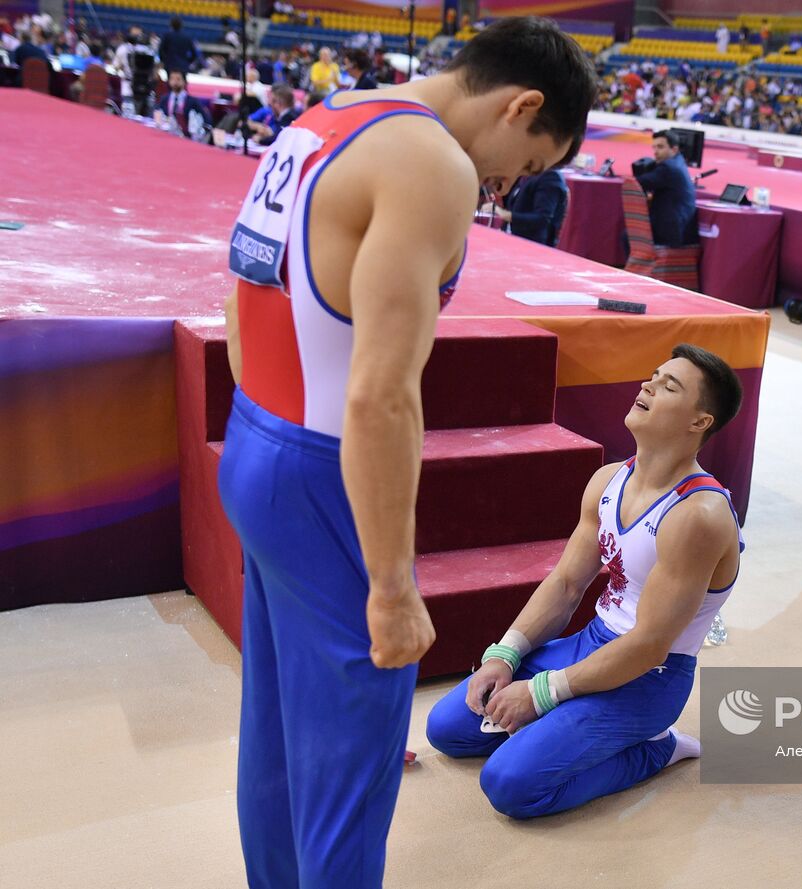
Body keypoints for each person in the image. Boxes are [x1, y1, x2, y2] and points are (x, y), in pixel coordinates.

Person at [219, 18, 596, 887]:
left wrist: (266, 430)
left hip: (259, 436)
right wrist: (390, 586)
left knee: (278, 730)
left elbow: (242, 292)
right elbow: (382, 394)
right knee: (353, 751)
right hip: (324, 468)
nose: (505, 187)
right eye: (529, 163)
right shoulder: (433, 164)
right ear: (521, 105)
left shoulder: (326, 117)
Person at [425, 345, 744, 818]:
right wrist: (505, 652)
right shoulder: (608, 480)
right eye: (652, 376)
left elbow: (649, 645)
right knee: (446, 728)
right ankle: (565, 724)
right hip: (591, 643)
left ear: (700, 422)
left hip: (648, 678)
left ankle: (656, 747)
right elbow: (566, 584)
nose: (646, 386)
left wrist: (542, 692)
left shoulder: (698, 515)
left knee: (511, 786)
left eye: (669, 386)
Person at [633, 129, 699, 247]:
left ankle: (640, 265)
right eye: (654, 147)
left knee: (630, 235)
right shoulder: (678, 162)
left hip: (672, 231)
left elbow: (637, 183)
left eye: (660, 147)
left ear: (674, 149)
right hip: (682, 228)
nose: (655, 152)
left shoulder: (668, 167)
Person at [498, 168, 569, 246]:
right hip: (512, 237)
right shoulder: (530, 173)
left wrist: (506, 215)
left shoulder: (550, 177)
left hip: (530, 244)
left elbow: (542, 219)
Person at [160, 70, 209, 137]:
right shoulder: (164, 98)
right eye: (172, 79)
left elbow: (205, 119)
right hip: (167, 132)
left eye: (178, 79)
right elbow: (157, 113)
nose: (175, 82)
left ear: (184, 81)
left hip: (186, 135)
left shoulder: (192, 101)